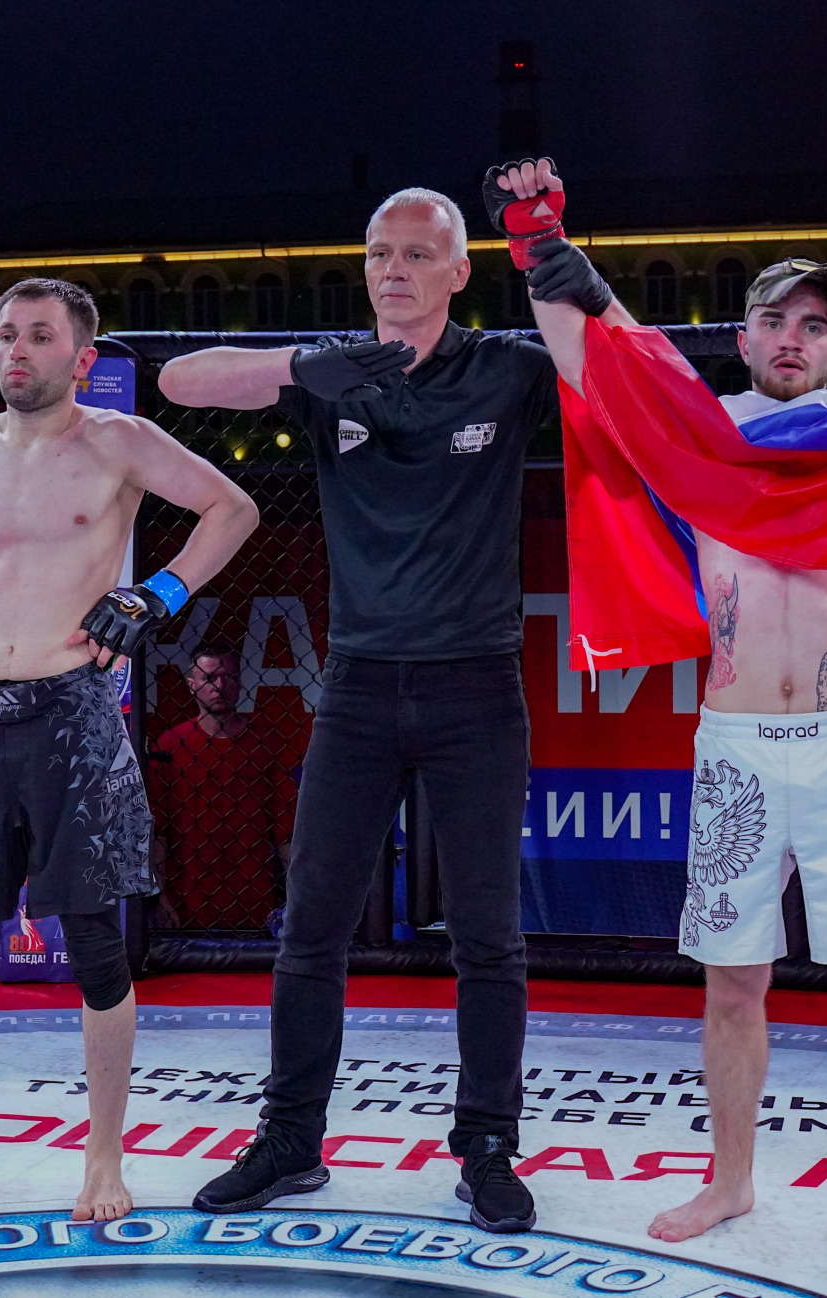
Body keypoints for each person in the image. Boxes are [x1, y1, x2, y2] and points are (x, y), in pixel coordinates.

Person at [497, 128, 827, 1276]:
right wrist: (537, 236)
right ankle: (729, 1177)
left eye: (813, 322)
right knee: (731, 983)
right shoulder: (701, 433)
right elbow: (590, 357)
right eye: (773, 319)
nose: (791, 336)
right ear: (741, 336)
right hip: (735, 745)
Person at [159, 185, 554, 1233]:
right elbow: (178, 378)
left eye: (418, 254)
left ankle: (486, 1145)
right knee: (312, 926)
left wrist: (546, 243)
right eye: (380, 252)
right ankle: (290, 1137)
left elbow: (610, 360)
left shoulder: (506, 368)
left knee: (488, 934)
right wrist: (301, 366)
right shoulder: (331, 367)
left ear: (459, 272)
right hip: (359, 687)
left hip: (476, 686)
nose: (393, 270)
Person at [0, 277, 258, 1223]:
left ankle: (103, 1159)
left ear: (81, 357)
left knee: (94, 941)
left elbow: (232, 508)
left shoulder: (119, 442)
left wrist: (157, 593)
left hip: (74, 709)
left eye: (38, 336)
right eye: (6, 334)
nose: (16, 350)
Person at [148, 644, 298, 930]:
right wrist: (160, 898)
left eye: (228, 677)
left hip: (254, 899)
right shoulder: (170, 745)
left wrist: (298, 896)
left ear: (240, 682)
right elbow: (159, 831)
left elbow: (285, 827)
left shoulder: (265, 742)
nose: (219, 686)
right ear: (192, 685)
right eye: (209, 678)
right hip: (186, 898)